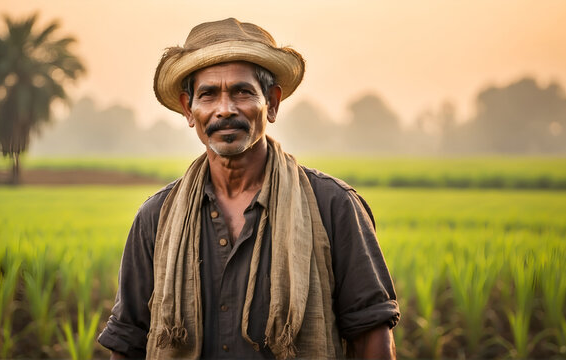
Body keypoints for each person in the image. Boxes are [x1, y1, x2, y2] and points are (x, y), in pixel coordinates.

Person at [98, 18, 400, 359]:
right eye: (208, 94)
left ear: (271, 103)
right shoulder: (156, 218)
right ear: (189, 108)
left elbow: (371, 337)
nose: (225, 109)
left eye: (242, 92)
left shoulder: (333, 207)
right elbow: (128, 342)